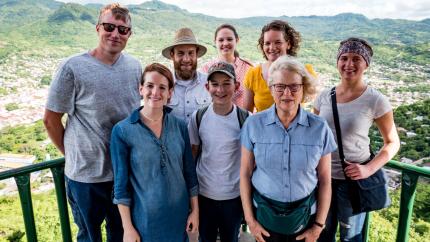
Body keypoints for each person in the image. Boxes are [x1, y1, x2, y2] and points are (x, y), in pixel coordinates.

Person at [43, 4, 141, 241]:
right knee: (89, 235)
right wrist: (72, 154)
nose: (115, 34)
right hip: (85, 177)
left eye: (122, 29)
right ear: (98, 29)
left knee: (121, 233)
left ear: (129, 34)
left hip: (122, 174)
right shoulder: (73, 67)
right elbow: (50, 119)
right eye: (109, 27)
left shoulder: (135, 66)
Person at [240, 56, 336, 242]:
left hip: (305, 219)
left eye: (294, 87)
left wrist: (317, 227)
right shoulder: (253, 124)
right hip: (264, 219)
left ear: (303, 89)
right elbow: (245, 173)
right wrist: (250, 221)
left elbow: (325, 180)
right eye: (280, 86)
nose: (287, 93)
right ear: (271, 89)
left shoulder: (319, 128)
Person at [314, 37, 400, 242]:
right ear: (337, 62)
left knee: (351, 237)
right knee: (321, 234)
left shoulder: (375, 100)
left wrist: (369, 169)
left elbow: (392, 142)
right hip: (323, 179)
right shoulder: (324, 97)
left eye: (356, 59)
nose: (349, 64)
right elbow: (315, 135)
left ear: (366, 64)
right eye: (344, 58)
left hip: (353, 182)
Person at [110, 63, 199, 242]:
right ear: (141, 89)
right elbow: (121, 186)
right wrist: (127, 228)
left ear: (170, 93)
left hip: (179, 220)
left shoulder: (179, 126)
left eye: (162, 87)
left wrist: (195, 211)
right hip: (145, 224)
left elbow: (189, 173)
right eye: (150, 86)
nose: (155, 92)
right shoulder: (122, 131)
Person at [188, 62, 249, 242]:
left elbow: (250, 162)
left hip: (234, 196)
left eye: (226, 83)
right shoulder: (198, 117)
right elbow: (193, 154)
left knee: (230, 238)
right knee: (205, 238)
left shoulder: (245, 119)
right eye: (215, 84)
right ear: (207, 87)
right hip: (204, 195)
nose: (220, 89)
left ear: (236, 86)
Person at [243, 20, 316, 113]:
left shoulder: (305, 72)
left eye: (278, 42)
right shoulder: (253, 74)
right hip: (262, 127)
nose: (272, 47)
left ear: (288, 44)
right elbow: (246, 114)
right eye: (267, 43)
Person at [162, 27, 211, 123]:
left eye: (191, 53)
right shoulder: (163, 84)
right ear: (172, 55)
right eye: (180, 53)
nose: (186, 59)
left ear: (196, 54)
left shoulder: (209, 83)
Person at [200, 24, 253, 108]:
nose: (225, 43)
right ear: (215, 42)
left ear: (237, 40)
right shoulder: (206, 69)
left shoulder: (248, 69)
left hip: (242, 119)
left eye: (229, 39)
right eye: (221, 40)